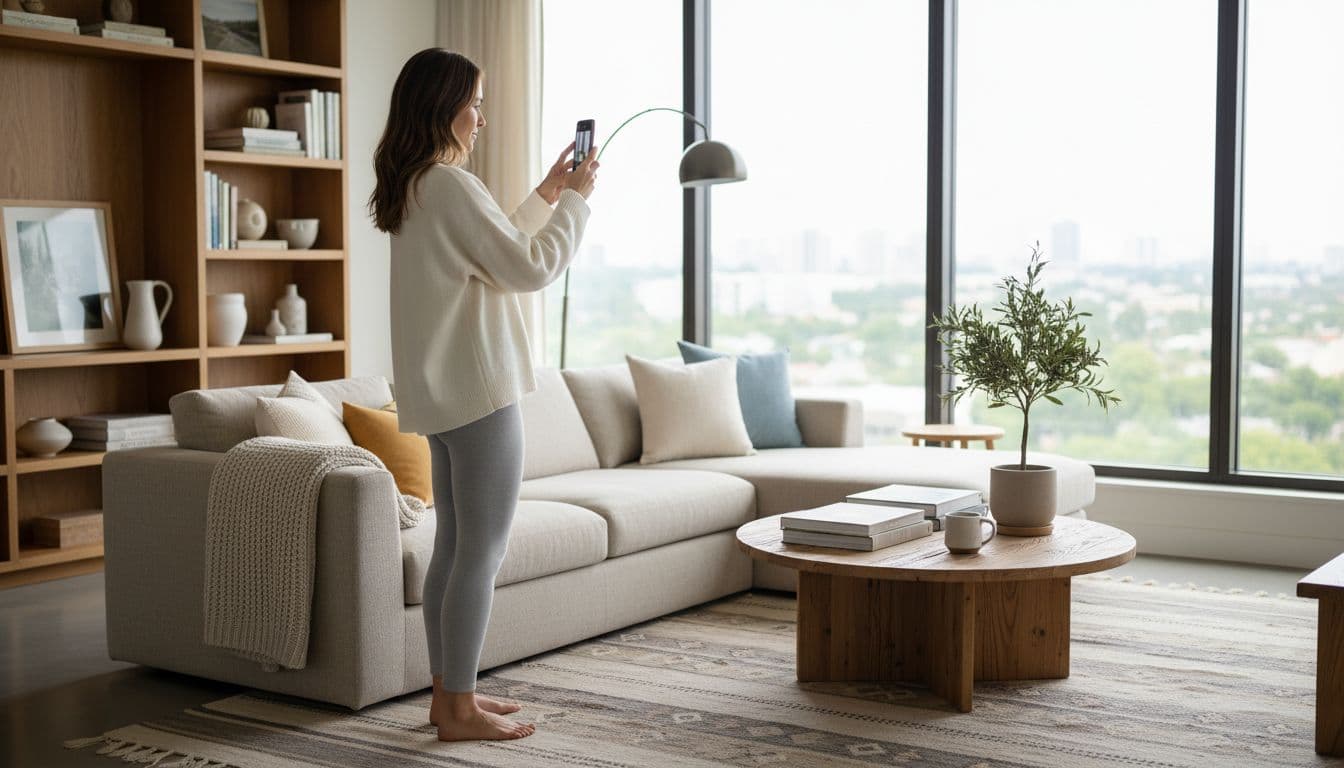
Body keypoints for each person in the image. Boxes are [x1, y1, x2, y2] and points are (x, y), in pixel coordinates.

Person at [368, 48, 598, 742]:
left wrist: (549, 193)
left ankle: (448, 697)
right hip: (480, 395)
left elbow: (491, 252)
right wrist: (580, 205)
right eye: (475, 101)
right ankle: (460, 708)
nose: (483, 117)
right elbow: (528, 267)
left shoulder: (417, 187)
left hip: (442, 399)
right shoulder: (451, 186)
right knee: (482, 553)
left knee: (456, 549)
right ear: (443, 107)